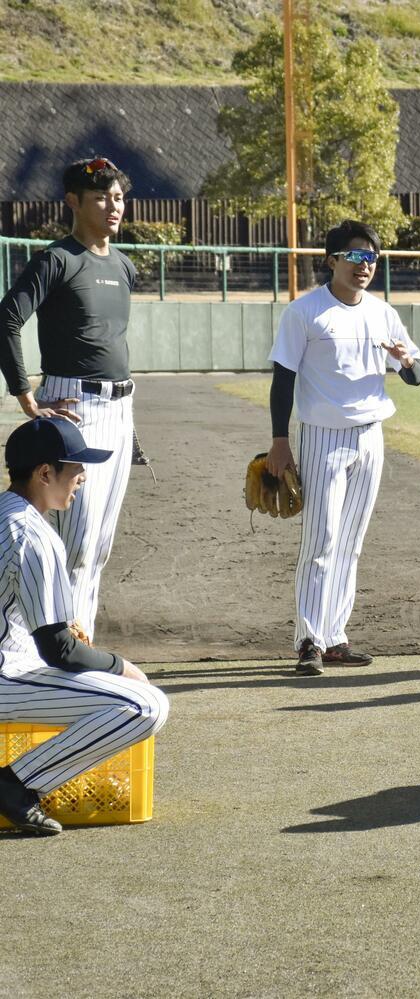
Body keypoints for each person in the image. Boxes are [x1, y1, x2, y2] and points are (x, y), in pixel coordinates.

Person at [266, 220, 420, 677]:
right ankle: (308, 640)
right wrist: (280, 440)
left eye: (372, 258)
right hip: (322, 437)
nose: (365, 265)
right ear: (331, 260)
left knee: (350, 543)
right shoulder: (305, 312)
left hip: (370, 436)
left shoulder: (382, 313)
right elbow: (283, 379)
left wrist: (407, 361)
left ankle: (335, 637)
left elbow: (415, 376)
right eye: (355, 256)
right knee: (321, 540)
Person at [0, 417, 169, 836]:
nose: (82, 476)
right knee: (144, 704)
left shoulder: (8, 513)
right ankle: (14, 784)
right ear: (45, 473)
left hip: (12, 661)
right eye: (75, 467)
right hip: (7, 677)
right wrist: (121, 666)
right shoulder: (31, 534)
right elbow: (58, 650)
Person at [0, 157, 138, 640]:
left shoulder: (123, 264)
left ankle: (82, 652)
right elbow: (7, 319)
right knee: (72, 546)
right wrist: (27, 397)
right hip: (71, 405)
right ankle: (56, 657)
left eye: (117, 196)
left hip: (120, 409)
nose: (112, 205)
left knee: (97, 548)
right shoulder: (57, 259)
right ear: (73, 202)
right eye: (100, 196)